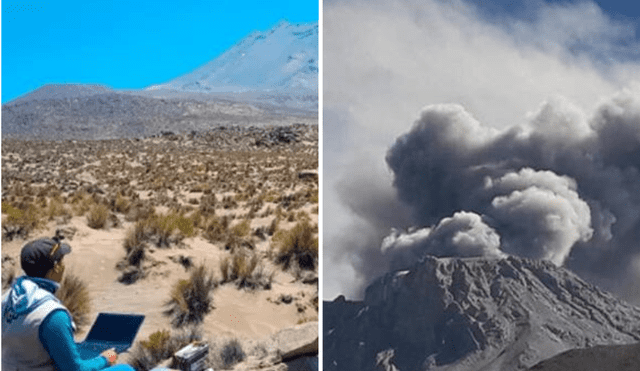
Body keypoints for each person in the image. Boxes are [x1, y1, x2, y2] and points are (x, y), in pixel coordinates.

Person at [2, 235, 134, 371]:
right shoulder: (52, 314)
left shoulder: (6, 300)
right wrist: (106, 359)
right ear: (57, 267)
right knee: (125, 369)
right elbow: (76, 370)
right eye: (62, 260)